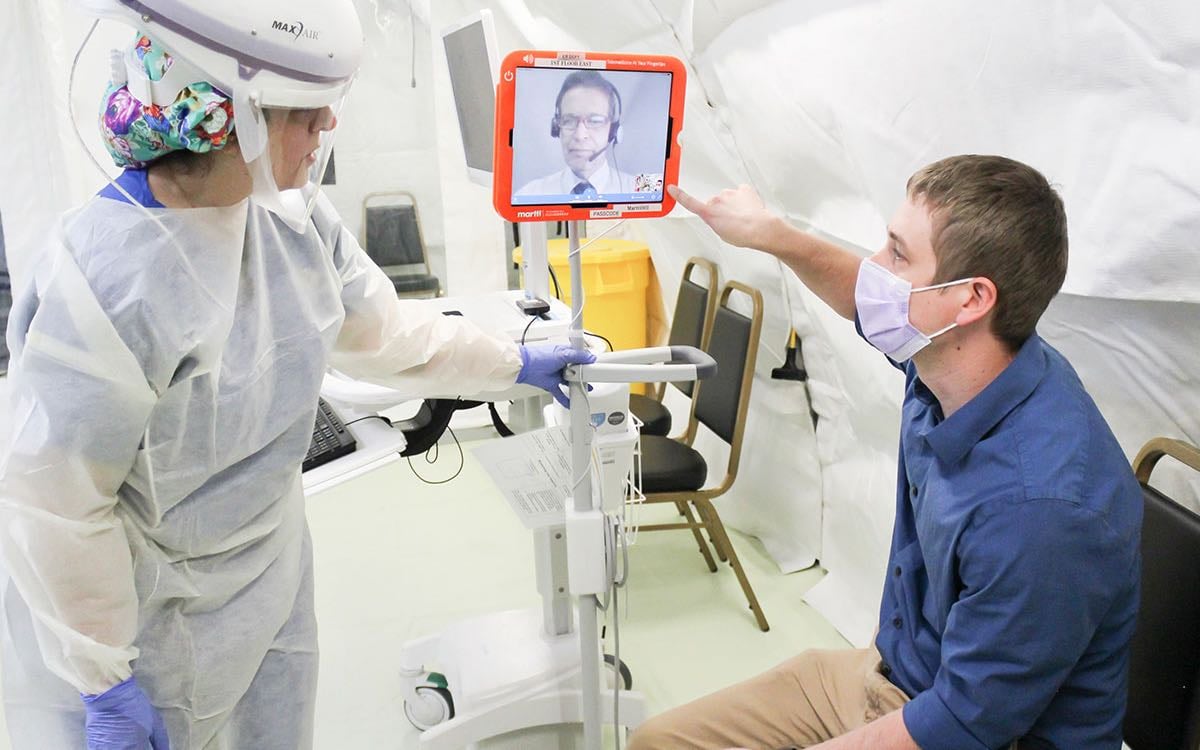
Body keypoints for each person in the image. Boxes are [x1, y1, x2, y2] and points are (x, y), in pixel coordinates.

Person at [0, 4, 591, 749]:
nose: (327, 132)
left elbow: (386, 334)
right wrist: (104, 679)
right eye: (308, 116)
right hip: (150, 620)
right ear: (237, 117)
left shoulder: (290, 219)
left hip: (270, 573)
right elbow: (57, 505)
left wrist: (511, 362)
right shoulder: (104, 284)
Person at [629, 155, 1143, 749]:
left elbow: (960, 725)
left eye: (897, 255)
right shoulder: (958, 359)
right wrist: (772, 235)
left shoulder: (1041, 509)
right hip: (896, 675)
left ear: (970, 299)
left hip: (974, 731)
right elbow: (865, 298)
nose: (876, 269)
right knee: (658, 742)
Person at [515, 70, 638, 199]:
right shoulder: (528, 194)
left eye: (595, 121)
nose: (580, 135)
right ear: (557, 128)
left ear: (613, 131)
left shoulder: (640, 189)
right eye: (568, 121)